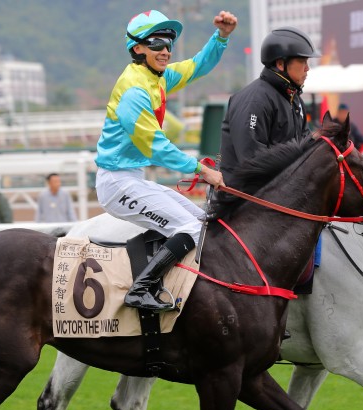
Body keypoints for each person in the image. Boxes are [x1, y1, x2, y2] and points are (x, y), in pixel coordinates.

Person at [95, 9, 236, 310]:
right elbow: (156, 147)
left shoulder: (156, 77)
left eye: (169, 42)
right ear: (137, 48)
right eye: (157, 42)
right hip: (117, 184)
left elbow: (197, 66)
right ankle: (140, 289)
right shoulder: (134, 89)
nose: (166, 50)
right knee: (193, 229)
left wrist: (221, 37)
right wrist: (202, 171)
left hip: (132, 179)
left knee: (202, 223)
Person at [219, 26, 320, 189]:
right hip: (242, 200)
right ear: (281, 63)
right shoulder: (255, 100)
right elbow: (252, 160)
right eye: (302, 61)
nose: (307, 68)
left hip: (279, 193)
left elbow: (305, 149)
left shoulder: (295, 100)